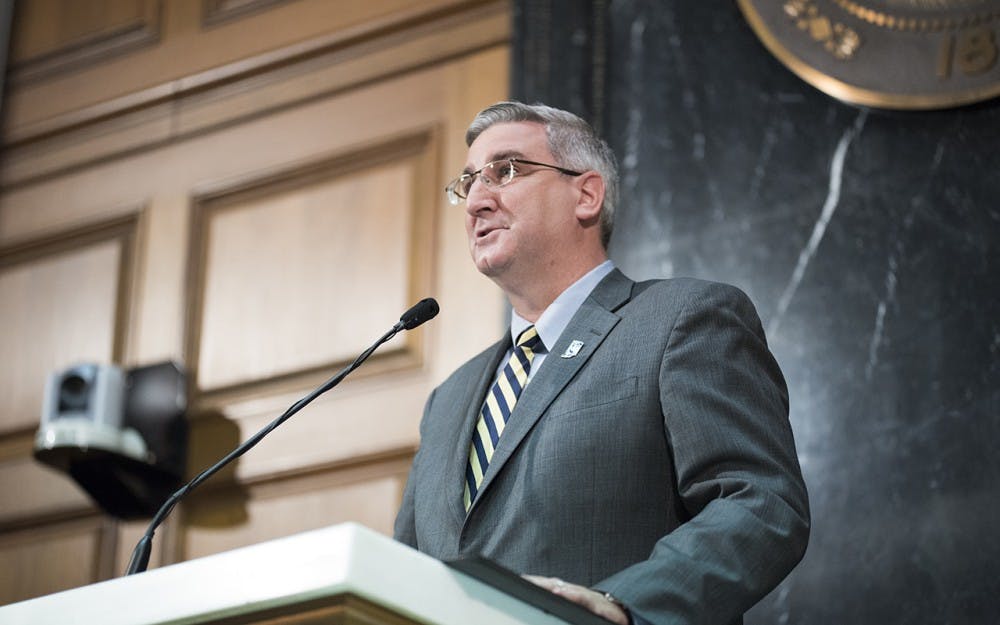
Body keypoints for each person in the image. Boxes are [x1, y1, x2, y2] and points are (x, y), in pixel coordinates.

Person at [393, 101, 810, 625]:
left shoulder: (682, 319)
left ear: (587, 195)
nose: (476, 199)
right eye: (468, 182)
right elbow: (403, 570)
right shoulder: (448, 398)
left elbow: (759, 504)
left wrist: (619, 605)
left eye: (505, 170)